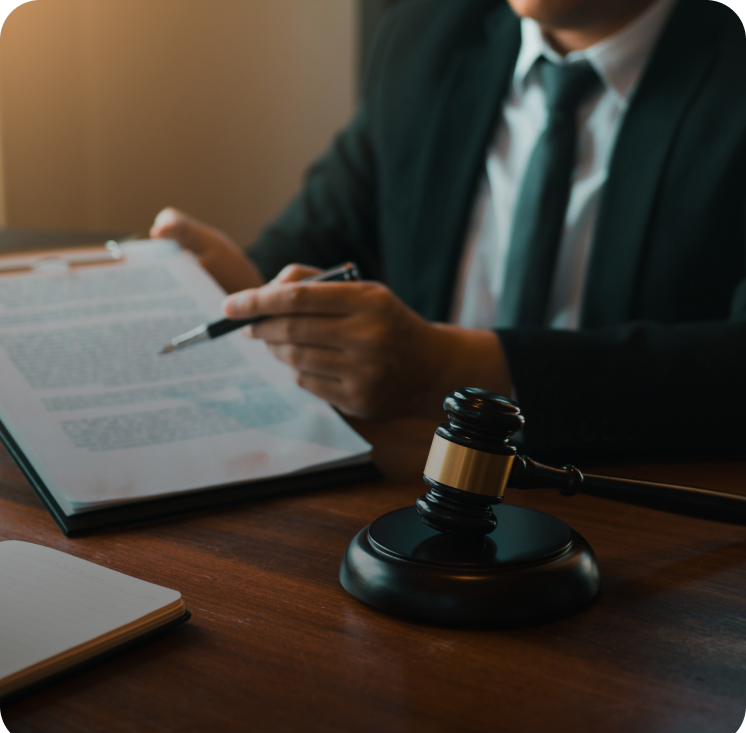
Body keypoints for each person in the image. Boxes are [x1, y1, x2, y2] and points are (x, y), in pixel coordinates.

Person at [151, 0, 746, 459]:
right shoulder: (427, 32)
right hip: (419, 494)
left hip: (646, 516)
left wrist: (449, 369)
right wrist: (244, 291)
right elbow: (316, 242)